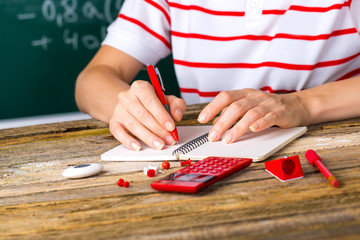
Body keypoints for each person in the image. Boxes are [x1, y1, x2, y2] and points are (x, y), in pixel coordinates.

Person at [75, 0, 360, 151]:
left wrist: (302, 104)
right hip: (210, 155)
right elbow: (92, 79)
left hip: (330, 148)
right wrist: (126, 107)